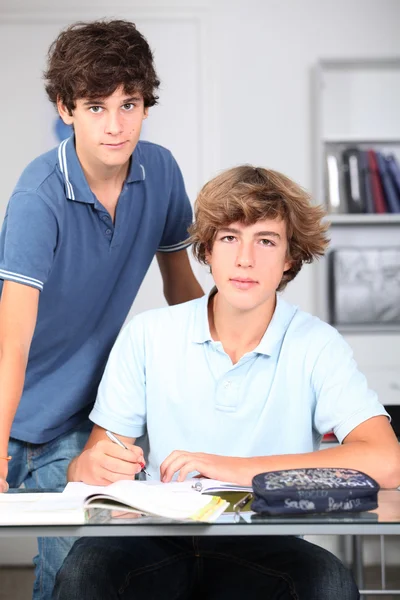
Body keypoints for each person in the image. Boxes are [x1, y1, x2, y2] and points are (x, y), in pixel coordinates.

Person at [53, 165, 400, 600]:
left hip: (266, 541)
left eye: (266, 241)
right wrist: (89, 467)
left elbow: (387, 463)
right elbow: (90, 467)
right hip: (154, 537)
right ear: (207, 250)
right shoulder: (148, 333)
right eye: (230, 237)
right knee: (84, 575)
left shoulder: (318, 343)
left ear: (290, 257)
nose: (245, 259)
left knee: (328, 585)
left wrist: (229, 468)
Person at [0, 18, 203, 600]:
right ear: (65, 109)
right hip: (8, 400)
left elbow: (182, 291)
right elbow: (11, 341)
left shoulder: (160, 172)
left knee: (80, 576)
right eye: (95, 106)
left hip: (74, 421)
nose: (116, 125)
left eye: (129, 104)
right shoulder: (39, 197)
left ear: (145, 104)